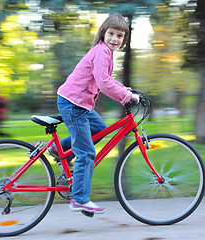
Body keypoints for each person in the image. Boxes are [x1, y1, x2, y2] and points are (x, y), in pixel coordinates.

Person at [50, 14, 139, 214]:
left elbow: (107, 78)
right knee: (86, 152)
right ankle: (79, 199)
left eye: (120, 36)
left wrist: (126, 89)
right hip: (74, 104)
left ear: (124, 40)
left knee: (100, 128)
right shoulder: (102, 51)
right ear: (103, 33)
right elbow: (103, 82)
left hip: (79, 103)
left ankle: (60, 149)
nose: (115, 39)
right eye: (111, 34)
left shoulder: (104, 52)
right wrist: (125, 96)